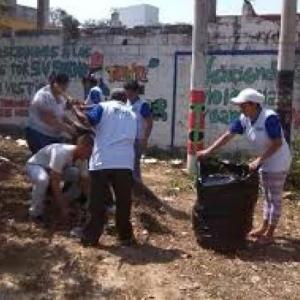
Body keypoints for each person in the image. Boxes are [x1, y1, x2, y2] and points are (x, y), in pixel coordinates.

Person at [197, 88, 291, 245]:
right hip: (264, 161)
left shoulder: (269, 118)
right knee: (266, 196)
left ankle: (270, 233)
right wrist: (208, 151)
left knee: (274, 198)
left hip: (277, 161)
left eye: (243, 105)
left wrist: (258, 160)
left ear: (253, 105)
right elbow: (228, 135)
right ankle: (264, 226)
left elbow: (277, 142)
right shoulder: (245, 118)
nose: (240, 108)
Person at [73, 88, 137, 247]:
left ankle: (90, 237)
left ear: (111, 98)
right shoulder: (132, 113)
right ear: (124, 100)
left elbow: (87, 121)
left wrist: (74, 108)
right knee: (123, 202)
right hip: (125, 162)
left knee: (97, 202)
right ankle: (125, 237)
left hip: (103, 161)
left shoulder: (103, 107)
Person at [26, 133, 94, 223]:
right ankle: (36, 213)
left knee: (77, 174)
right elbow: (55, 182)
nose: (89, 155)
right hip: (37, 165)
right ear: (80, 146)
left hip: (55, 170)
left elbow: (85, 181)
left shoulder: (83, 159)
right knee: (42, 180)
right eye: (88, 151)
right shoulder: (61, 153)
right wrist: (63, 208)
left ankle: (62, 201)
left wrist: (89, 202)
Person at [25, 73, 76, 154]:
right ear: (55, 84)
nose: (65, 89)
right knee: (44, 160)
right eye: (63, 86)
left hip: (54, 136)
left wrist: (73, 123)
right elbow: (51, 120)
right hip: (39, 134)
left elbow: (61, 115)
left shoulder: (60, 97)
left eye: (66, 86)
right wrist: (70, 130)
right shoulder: (43, 96)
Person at [124, 80, 153, 182]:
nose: (128, 95)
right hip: (127, 139)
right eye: (127, 92)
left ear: (136, 92)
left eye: (131, 93)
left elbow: (149, 123)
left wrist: (145, 139)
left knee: (135, 165)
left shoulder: (142, 105)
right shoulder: (126, 103)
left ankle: (138, 187)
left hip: (137, 139)